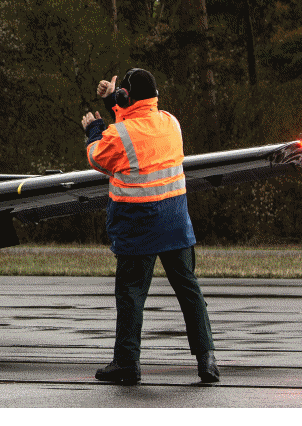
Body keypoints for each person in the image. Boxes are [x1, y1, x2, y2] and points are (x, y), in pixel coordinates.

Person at [79, 68, 218, 384]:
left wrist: (94, 129)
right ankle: (207, 359)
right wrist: (114, 102)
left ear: (126, 97)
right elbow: (136, 125)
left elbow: (98, 157)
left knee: (130, 294)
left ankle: (127, 363)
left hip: (137, 226)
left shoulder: (118, 134)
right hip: (175, 223)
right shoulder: (171, 122)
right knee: (189, 290)